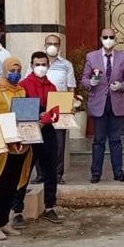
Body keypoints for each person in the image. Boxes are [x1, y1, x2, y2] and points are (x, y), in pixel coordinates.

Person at [0, 56, 33, 239]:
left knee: (12, 184)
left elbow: (25, 114)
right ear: (5, 71)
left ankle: (4, 222)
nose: (15, 74)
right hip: (1, 146)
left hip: (19, 145)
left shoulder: (21, 90)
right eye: (12, 70)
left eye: (18, 71)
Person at [81, 28, 124, 183]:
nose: (108, 39)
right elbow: (84, 79)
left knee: (116, 140)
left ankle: (119, 173)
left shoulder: (123, 57)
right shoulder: (92, 56)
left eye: (111, 37)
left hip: (116, 103)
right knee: (98, 140)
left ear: (115, 39)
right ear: (101, 38)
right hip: (99, 104)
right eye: (105, 37)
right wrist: (91, 82)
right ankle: (96, 173)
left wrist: (121, 85)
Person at [21, 51, 64, 222]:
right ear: (31, 66)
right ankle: (17, 210)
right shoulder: (24, 85)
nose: (40, 67)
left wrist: (47, 118)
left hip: (47, 130)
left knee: (50, 170)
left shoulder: (52, 86)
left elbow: (56, 111)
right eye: (37, 64)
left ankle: (50, 206)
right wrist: (36, 118)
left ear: (48, 65)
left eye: (43, 64)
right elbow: (21, 109)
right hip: (29, 130)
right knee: (25, 170)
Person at [43, 33, 76, 183]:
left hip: (60, 106)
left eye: (55, 44)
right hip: (41, 106)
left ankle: (57, 174)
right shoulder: (37, 63)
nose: (52, 46)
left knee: (59, 142)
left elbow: (71, 87)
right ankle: (41, 174)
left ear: (59, 46)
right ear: (44, 45)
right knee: (40, 141)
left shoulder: (66, 65)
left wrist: (71, 106)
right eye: (49, 43)